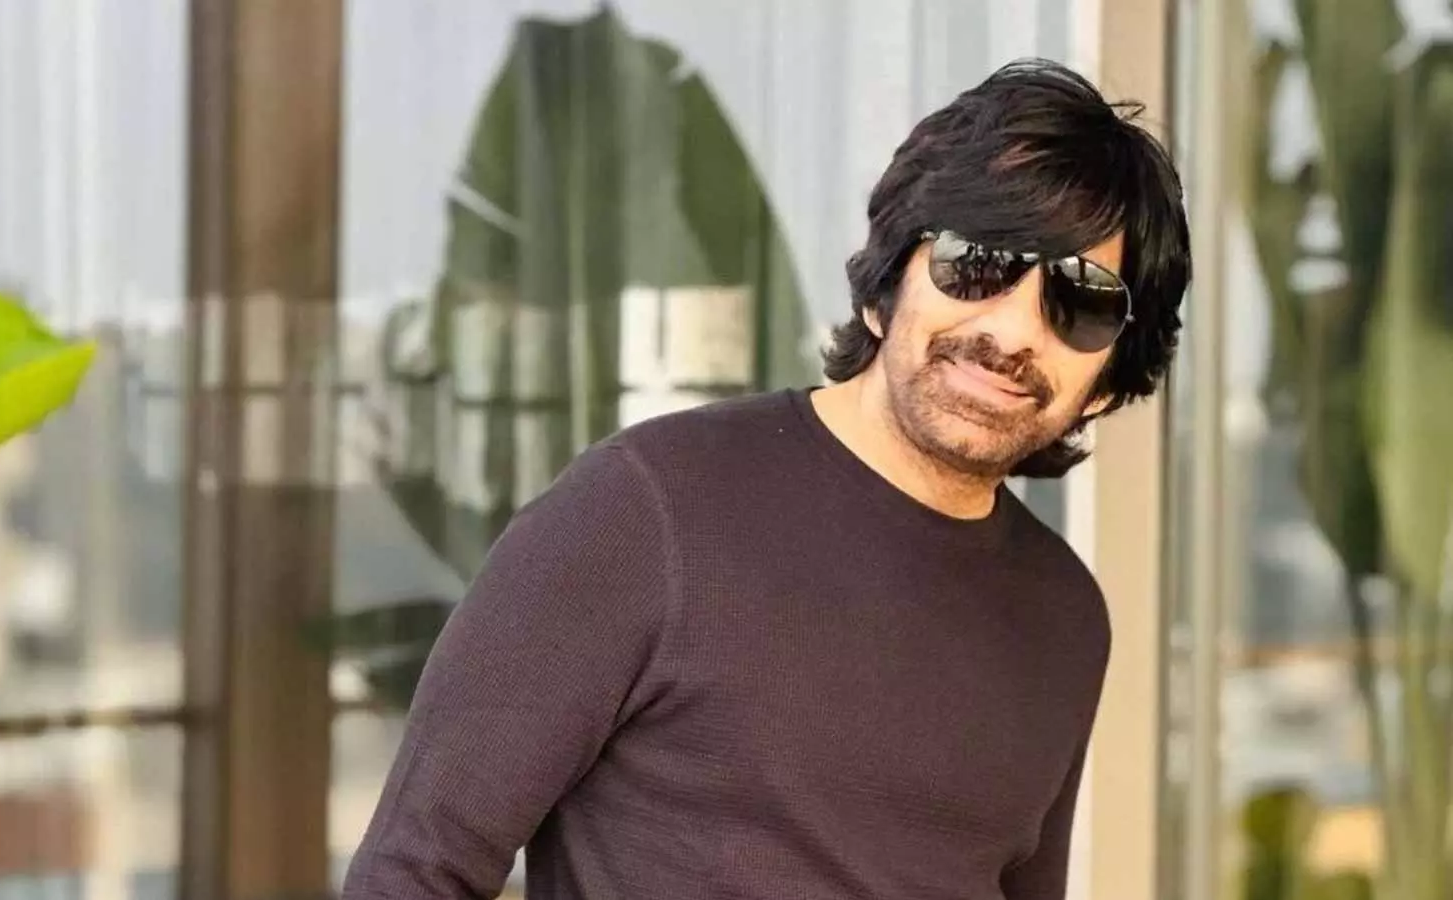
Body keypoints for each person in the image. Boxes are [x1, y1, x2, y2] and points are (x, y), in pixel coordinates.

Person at [342, 58, 1191, 900]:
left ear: (1108, 381)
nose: (1011, 331)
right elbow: (415, 873)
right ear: (886, 287)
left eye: (1081, 301)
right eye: (978, 263)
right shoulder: (641, 511)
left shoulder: (1063, 614)